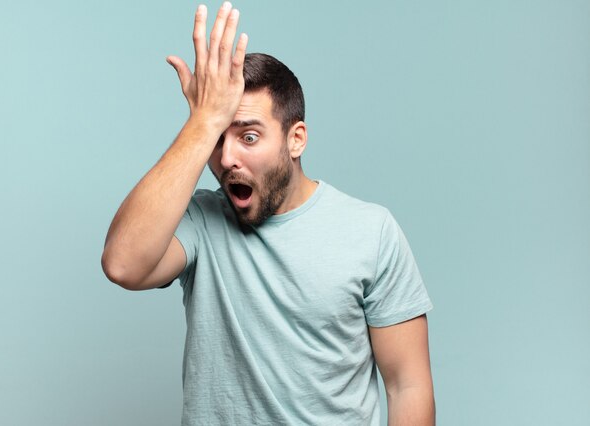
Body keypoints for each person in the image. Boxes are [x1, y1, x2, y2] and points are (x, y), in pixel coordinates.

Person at [101, 2, 435, 425]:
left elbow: (408, 385)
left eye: (249, 136)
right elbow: (123, 263)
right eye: (217, 141)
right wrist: (201, 123)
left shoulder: (372, 232)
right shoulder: (202, 220)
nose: (227, 158)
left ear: (296, 140)